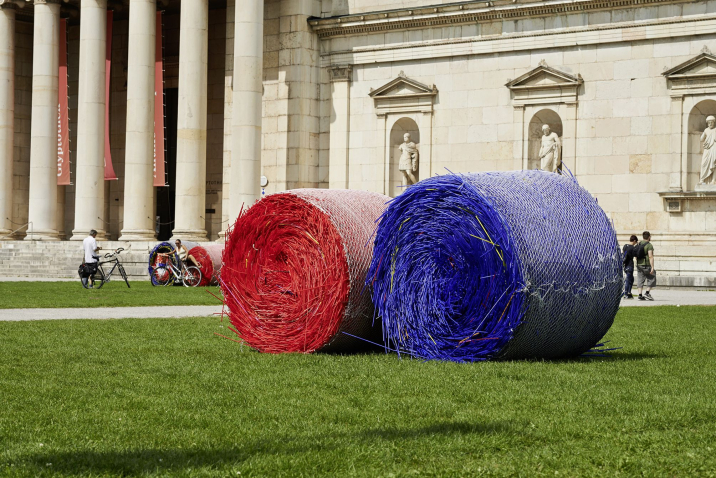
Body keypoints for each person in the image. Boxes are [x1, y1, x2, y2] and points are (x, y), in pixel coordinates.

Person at [636, 231, 656, 301]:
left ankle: (640, 295)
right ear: (649, 237)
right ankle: (647, 293)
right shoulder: (649, 245)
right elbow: (650, 256)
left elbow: (636, 255)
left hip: (639, 264)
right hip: (646, 264)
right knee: (652, 276)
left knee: (640, 279)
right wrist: (652, 267)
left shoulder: (639, 244)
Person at [700, 115, 716, 184]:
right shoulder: (706, 130)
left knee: (714, 164)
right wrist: (704, 133)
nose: (710, 124)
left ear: (714, 122)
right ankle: (702, 179)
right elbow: (701, 139)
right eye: (709, 122)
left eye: (711, 122)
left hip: (714, 148)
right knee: (704, 164)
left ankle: (713, 180)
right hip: (707, 149)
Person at [622, 235, 638, 299]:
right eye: (635, 242)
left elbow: (623, 254)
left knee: (631, 279)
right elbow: (636, 256)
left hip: (625, 265)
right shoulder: (633, 248)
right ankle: (626, 294)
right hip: (630, 265)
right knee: (628, 280)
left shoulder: (625, 246)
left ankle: (629, 293)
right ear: (634, 241)